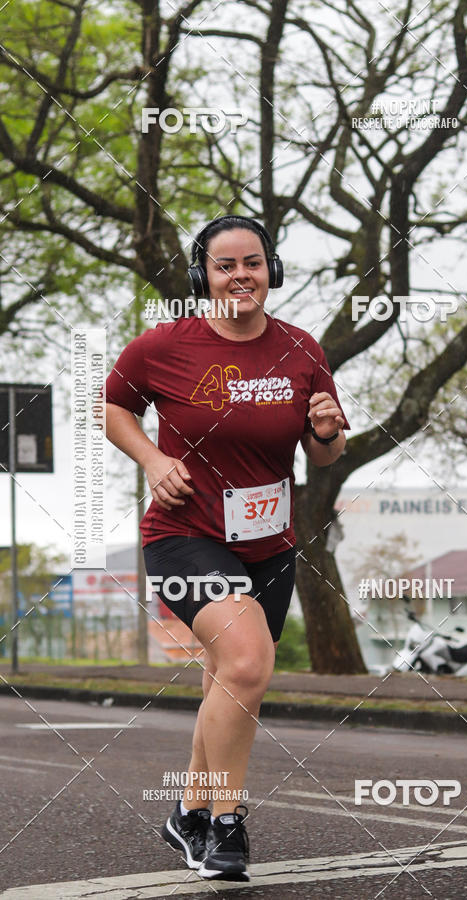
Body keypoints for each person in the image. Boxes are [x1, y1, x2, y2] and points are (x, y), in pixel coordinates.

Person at [103, 214, 349, 882]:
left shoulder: (301, 349)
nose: (240, 275)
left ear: (271, 269)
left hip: (267, 543)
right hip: (185, 534)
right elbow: (114, 407)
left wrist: (326, 431)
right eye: (224, 265)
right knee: (246, 664)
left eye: (253, 263)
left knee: (229, 677)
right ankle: (226, 822)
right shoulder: (163, 346)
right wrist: (153, 460)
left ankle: (185, 814)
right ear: (202, 274)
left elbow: (324, 450)